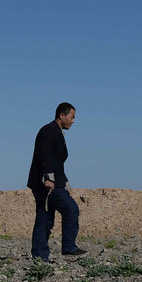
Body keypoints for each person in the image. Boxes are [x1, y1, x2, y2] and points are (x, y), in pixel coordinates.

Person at [27, 102, 87, 262]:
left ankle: (40, 257)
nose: (73, 120)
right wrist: (48, 178)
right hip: (45, 183)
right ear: (62, 115)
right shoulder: (48, 131)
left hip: (52, 181)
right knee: (71, 208)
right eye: (72, 117)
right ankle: (68, 246)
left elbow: (57, 162)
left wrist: (65, 183)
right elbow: (44, 155)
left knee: (44, 217)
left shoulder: (57, 132)